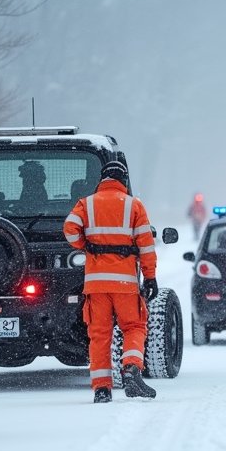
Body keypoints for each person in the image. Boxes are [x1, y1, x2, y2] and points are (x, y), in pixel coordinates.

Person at [63, 160, 159, 403]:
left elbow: (70, 229)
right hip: (125, 282)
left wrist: (87, 245)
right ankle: (131, 367)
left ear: (102, 180)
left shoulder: (86, 203)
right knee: (134, 327)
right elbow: (146, 246)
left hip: (96, 284)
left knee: (99, 335)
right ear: (123, 180)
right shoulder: (134, 205)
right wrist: (150, 277)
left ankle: (102, 389)